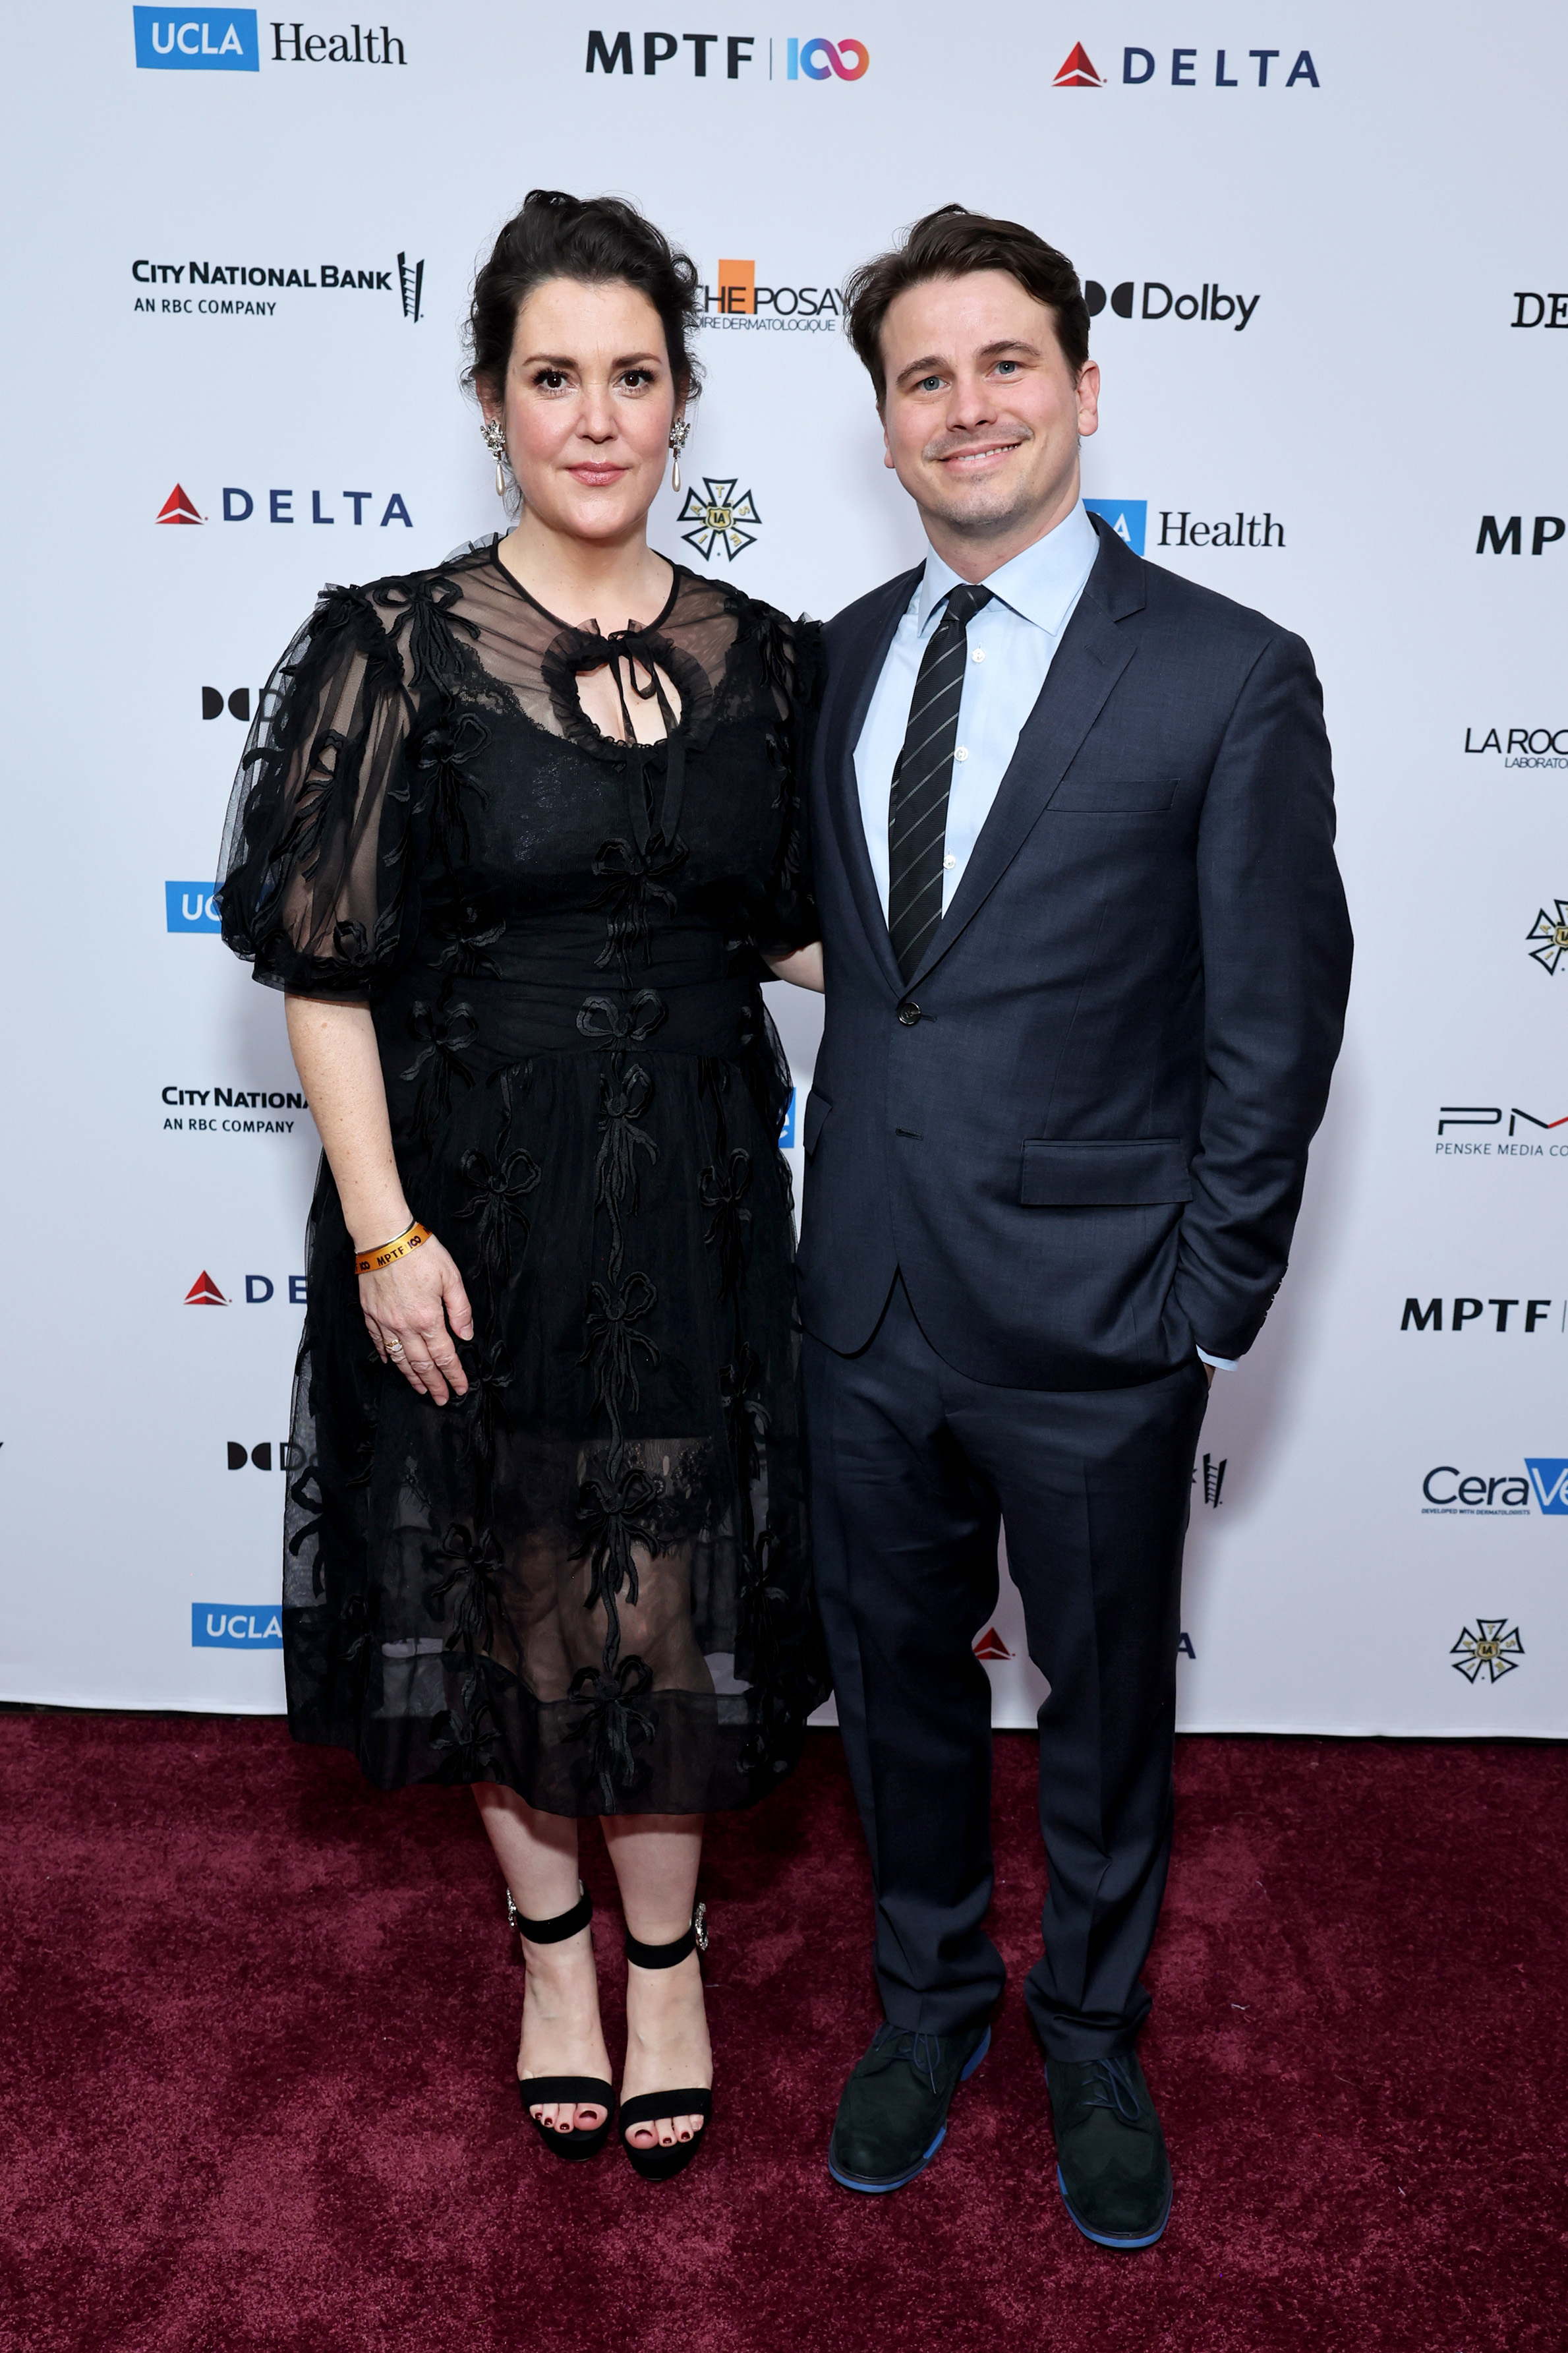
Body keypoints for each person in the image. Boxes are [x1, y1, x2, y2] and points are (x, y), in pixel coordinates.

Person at [217, 189, 828, 2182]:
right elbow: (323, 966)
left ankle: (673, 1951)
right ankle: (551, 1947)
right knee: (500, 1578)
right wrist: (385, 1231)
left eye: (632, 376)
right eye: (551, 377)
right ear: (491, 402)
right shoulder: (388, 643)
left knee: (663, 1594)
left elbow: (811, 936)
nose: (594, 416)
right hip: (466, 1209)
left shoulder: (777, 663)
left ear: (681, 403)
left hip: (700, 1208)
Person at [798, 206, 1352, 2243]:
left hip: (1100, 1317)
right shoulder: (839, 656)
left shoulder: (1224, 672)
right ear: (881, 421)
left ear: (1085, 388)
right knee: (898, 1684)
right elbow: (871, 962)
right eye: (924, 375)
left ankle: (1093, 2028)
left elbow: (1276, 1015)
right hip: (859, 1298)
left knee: (1107, 1701)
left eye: (1003, 361)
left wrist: (1198, 1300)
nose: (967, 404)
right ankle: (931, 1995)